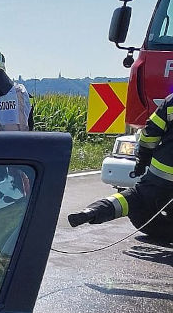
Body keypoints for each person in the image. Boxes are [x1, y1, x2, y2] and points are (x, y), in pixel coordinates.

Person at [68, 98, 173, 228]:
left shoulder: (170, 101)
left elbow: (150, 134)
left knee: (136, 197)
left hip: (162, 173)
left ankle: (92, 211)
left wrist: (143, 159)